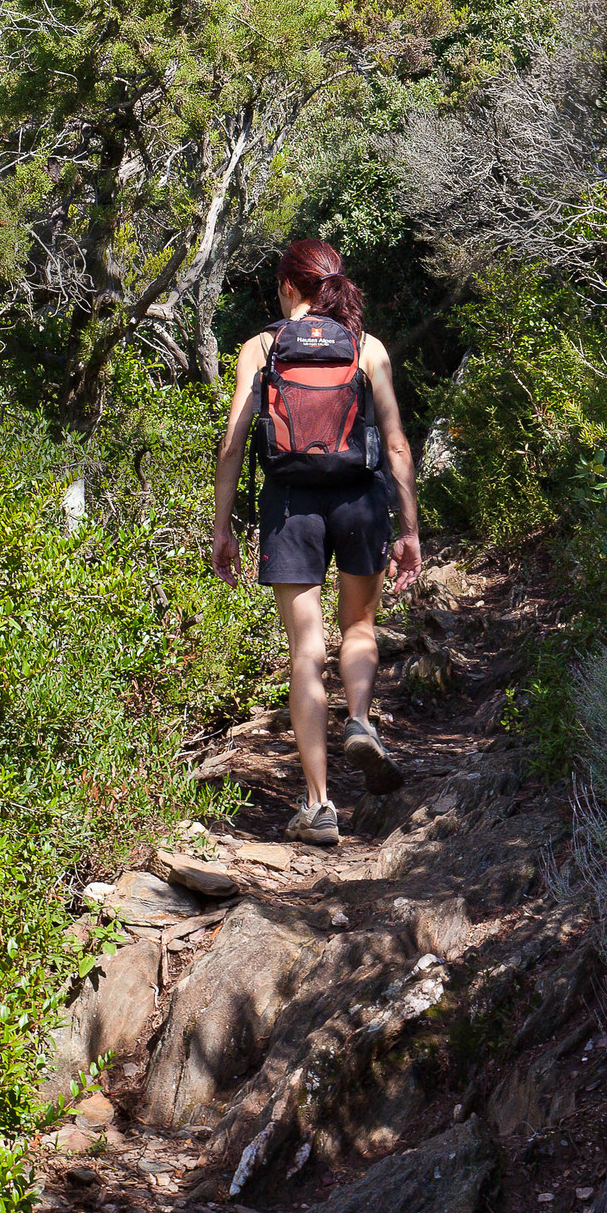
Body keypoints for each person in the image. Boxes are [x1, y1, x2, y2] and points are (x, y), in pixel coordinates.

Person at [211, 238, 422, 847]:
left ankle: (319, 804)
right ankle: (358, 721)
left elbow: (233, 443)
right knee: (358, 627)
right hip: (360, 500)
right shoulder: (367, 348)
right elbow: (398, 444)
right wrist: (408, 529)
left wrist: (223, 526)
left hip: (289, 507)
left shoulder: (263, 346)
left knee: (306, 650)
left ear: (287, 287)